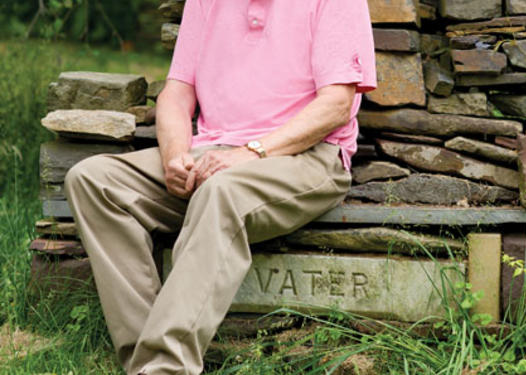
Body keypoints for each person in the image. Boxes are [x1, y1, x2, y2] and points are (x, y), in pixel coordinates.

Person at [64, 0, 376, 374]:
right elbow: (177, 91)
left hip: (307, 156)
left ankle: (167, 367)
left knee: (221, 191)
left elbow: (337, 105)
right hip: (213, 151)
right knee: (94, 181)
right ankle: (144, 362)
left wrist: (253, 152)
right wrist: (175, 155)